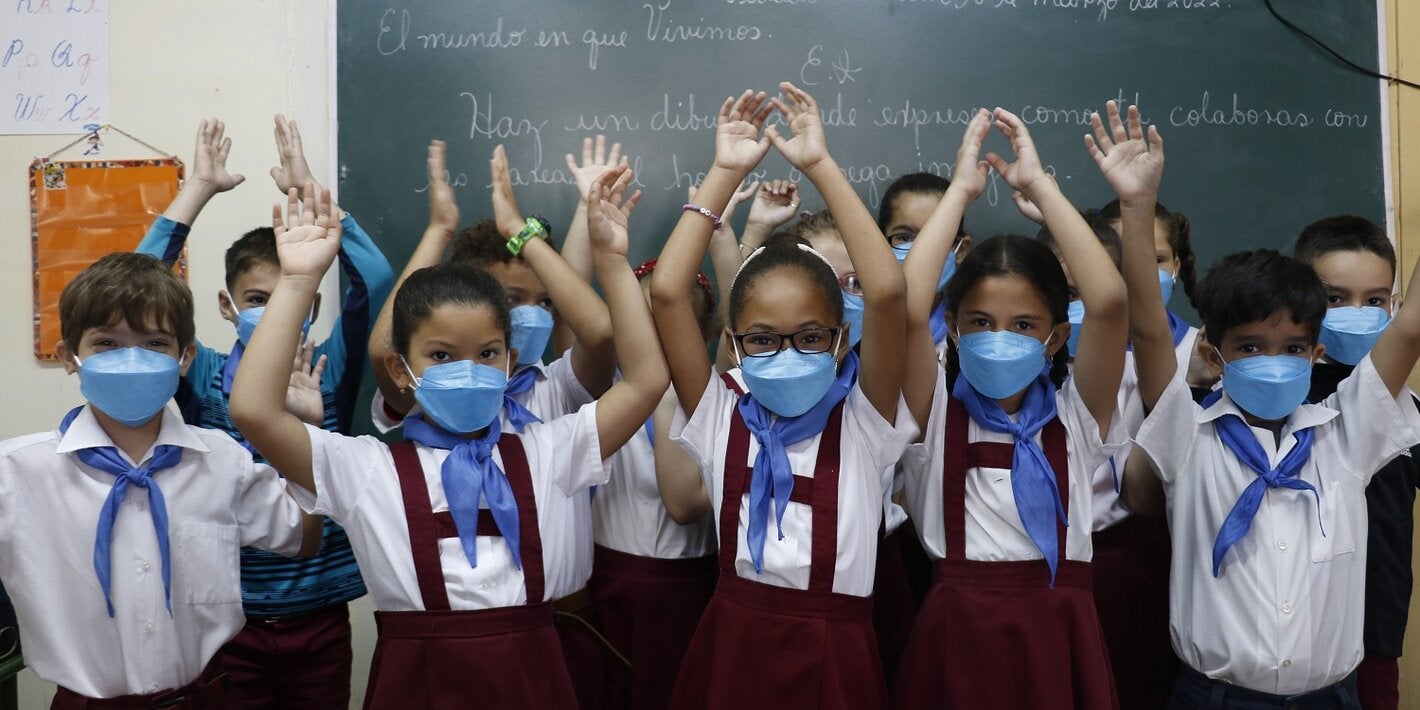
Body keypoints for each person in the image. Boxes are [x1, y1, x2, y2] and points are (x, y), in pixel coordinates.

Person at [230, 169, 665, 709]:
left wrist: (615, 262)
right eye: (440, 355)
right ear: (400, 367)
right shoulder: (367, 468)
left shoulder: (551, 449)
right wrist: (298, 281)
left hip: (539, 673)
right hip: (418, 682)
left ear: (510, 362)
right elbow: (253, 409)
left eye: (486, 353)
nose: (468, 370)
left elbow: (647, 379)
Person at [1108, 99, 1420, 706]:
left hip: (1332, 696)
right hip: (1215, 696)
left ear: (1315, 352)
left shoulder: (1347, 433)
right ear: (1213, 351)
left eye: (1292, 347)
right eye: (1250, 346)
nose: (1272, 361)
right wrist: (1136, 205)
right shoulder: (1187, 436)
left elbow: (1408, 328)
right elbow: (1147, 329)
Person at [651, 84, 915, 709]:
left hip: (837, 653)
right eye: (764, 340)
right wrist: (723, 173)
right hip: (734, 642)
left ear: (841, 338)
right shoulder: (721, 410)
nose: (789, 352)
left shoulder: (866, 420)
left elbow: (887, 293)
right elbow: (666, 294)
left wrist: (820, 166)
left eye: (811, 336)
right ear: (736, 343)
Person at [135, 116, 391, 709]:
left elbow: (375, 282)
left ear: (311, 302)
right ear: (227, 306)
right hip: (225, 619)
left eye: (289, 296)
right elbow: (137, 288)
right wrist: (195, 191)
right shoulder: (196, 376)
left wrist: (312, 195)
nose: (275, 311)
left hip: (320, 615)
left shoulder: (334, 367)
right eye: (257, 299)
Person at [0, 252, 320, 708]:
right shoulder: (15, 473)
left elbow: (304, 536)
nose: (132, 360)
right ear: (69, 357)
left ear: (184, 356)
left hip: (206, 697)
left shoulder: (222, 461)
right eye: (106, 343)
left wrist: (300, 432)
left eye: (154, 343)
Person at [366, 140, 619, 708]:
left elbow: (601, 334)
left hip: (565, 622)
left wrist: (524, 233)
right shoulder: (434, 395)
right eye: (510, 299)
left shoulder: (557, 383)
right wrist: (438, 230)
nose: (528, 315)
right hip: (465, 638)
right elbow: (385, 348)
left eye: (543, 301)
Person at [894, 107, 1128, 709]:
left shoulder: (1077, 416)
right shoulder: (933, 410)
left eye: (1024, 325)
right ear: (953, 331)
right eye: (980, 322)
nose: (1000, 337)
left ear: (1054, 337)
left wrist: (1040, 186)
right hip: (957, 634)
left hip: (1059, 634)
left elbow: (1107, 302)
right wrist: (960, 193)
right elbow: (906, 303)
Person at [559, 136, 721, 710]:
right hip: (607, 585)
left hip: (687, 589)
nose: (649, 330)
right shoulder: (601, 388)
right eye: (639, 313)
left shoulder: (712, 399)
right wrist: (587, 213)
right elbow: (573, 314)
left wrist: (721, 233)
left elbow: (685, 505)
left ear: (701, 335)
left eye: (670, 321)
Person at [1295, 215, 1419, 710]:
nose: (1357, 313)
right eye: (1335, 298)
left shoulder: (1407, 406)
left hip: (1374, 632)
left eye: (1374, 300)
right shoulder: (1274, 397)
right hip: (1290, 633)